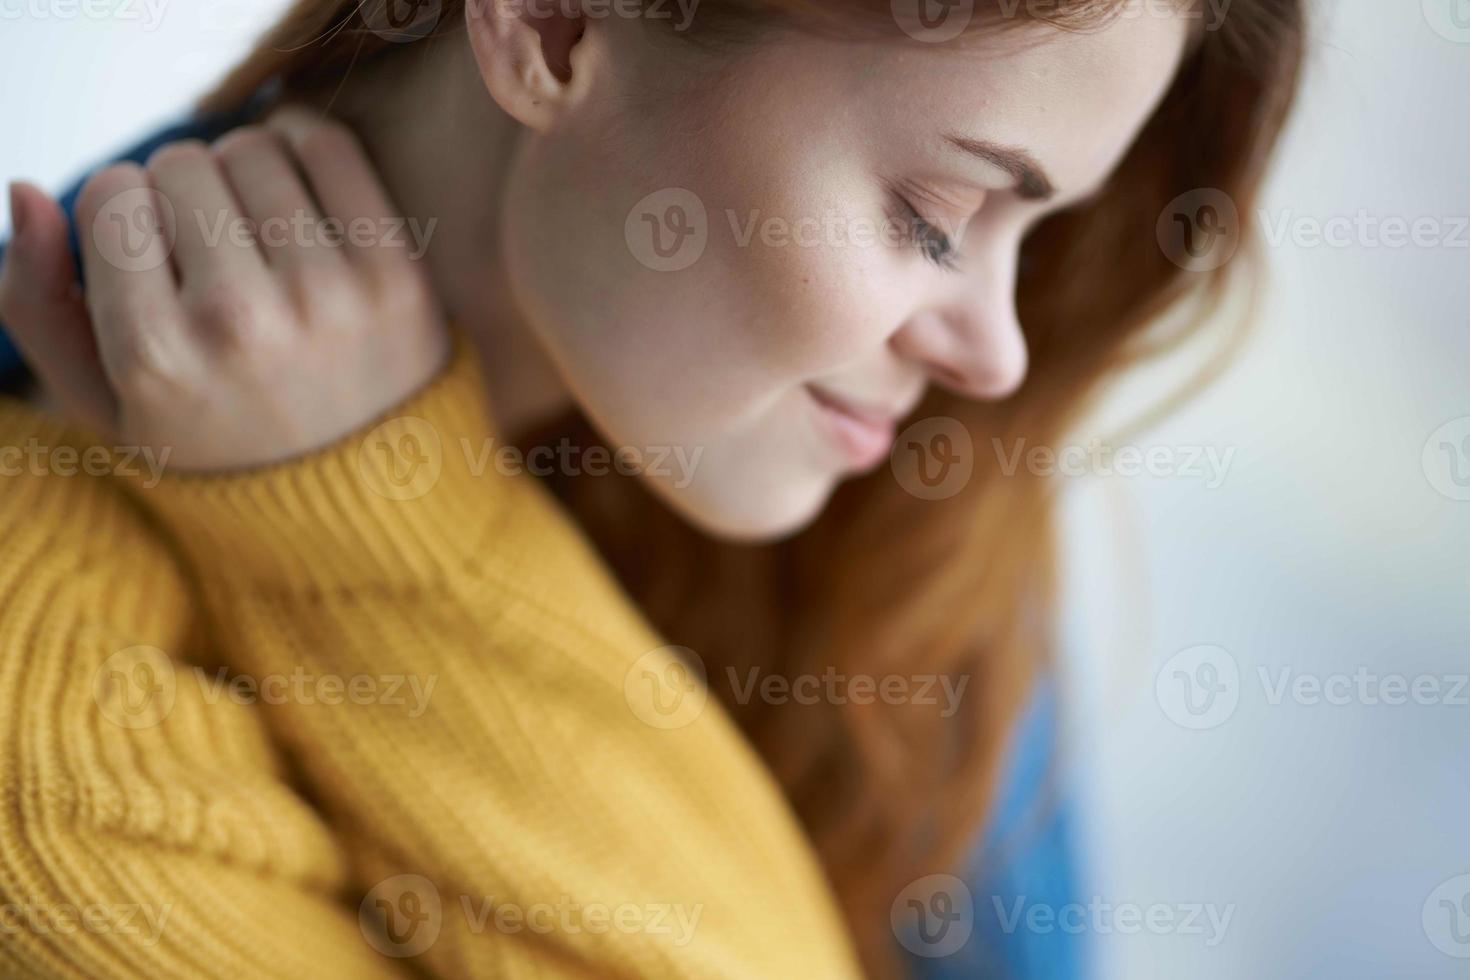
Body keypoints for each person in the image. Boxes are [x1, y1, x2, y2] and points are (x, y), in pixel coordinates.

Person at [0, 0, 1303, 976]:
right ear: (557, 28)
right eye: (935, 211)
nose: (993, 346)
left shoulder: (903, 524)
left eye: (1044, 227)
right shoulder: (39, 653)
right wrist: (385, 530)